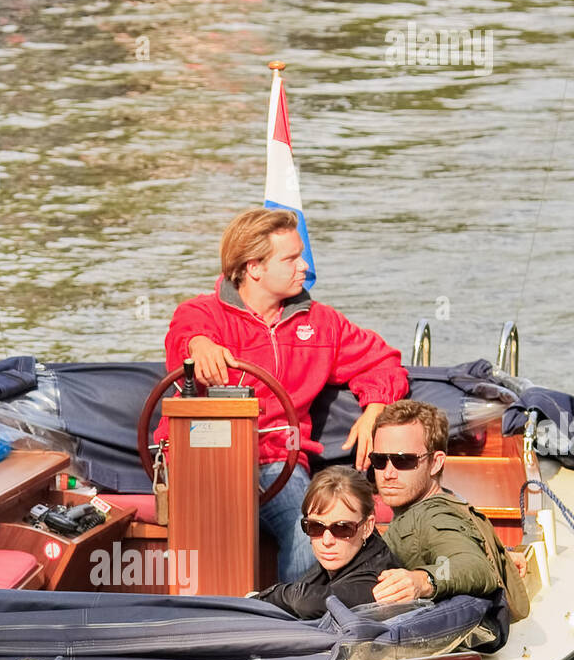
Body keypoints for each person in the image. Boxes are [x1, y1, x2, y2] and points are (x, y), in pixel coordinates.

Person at [160, 207, 408, 582]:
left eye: (301, 256)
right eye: (291, 258)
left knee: (307, 526)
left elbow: (383, 362)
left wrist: (376, 408)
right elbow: (185, 336)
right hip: (201, 459)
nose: (304, 266)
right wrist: (200, 346)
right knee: (209, 533)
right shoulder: (202, 313)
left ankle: (293, 625)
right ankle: (204, 618)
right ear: (254, 267)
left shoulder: (321, 323)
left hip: (279, 461)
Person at [368, 400, 529, 625]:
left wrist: (421, 580)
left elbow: (475, 566)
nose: (388, 473)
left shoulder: (435, 518)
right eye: (379, 460)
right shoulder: (434, 504)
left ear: (435, 463)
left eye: (403, 460)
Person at [253, 467, 399, 618]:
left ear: (367, 527)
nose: (327, 540)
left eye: (342, 528)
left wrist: (266, 597)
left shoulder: (381, 579)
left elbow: (305, 602)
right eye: (315, 527)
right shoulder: (341, 560)